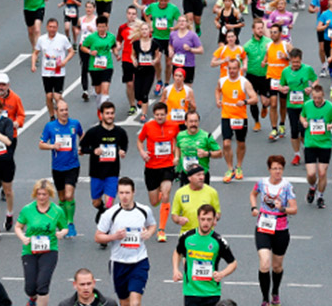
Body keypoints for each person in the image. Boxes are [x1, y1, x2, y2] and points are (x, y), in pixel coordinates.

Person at [96, 177, 157, 306]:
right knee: (124, 302)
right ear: (118, 193)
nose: (124, 196)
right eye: (121, 193)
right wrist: (114, 237)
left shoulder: (144, 210)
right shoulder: (110, 213)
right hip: (119, 263)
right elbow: (98, 237)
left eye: (127, 193)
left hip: (139, 261)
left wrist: (149, 233)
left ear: (133, 192)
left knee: (135, 302)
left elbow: (152, 225)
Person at [250, 155, 298, 306]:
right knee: (264, 263)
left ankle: (275, 291)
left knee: (276, 266)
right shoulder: (262, 183)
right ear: (269, 169)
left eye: (280, 169)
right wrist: (254, 207)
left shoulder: (287, 186)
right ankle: (265, 299)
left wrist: (282, 208)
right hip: (263, 227)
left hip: (281, 229)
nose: (277, 172)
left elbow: (294, 209)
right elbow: (253, 194)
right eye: (274, 169)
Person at [15, 179, 68, 306]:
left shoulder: (57, 211)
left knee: (42, 286)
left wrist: (62, 233)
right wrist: (23, 238)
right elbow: (18, 227)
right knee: (30, 288)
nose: (41, 197)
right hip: (29, 250)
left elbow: (64, 227)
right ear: (35, 194)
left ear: (49, 194)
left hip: (49, 250)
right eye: (39, 194)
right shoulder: (27, 209)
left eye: (44, 194)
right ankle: (33, 299)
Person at [172, 203, 237, 306]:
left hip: (211, 292)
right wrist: (175, 269)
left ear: (214, 220)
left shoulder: (218, 241)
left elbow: (233, 263)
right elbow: (177, 252)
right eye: (203, 219)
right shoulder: (187, 237)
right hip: (191, 292)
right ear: (198, 218)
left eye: (209, 219)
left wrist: (222, 274)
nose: (205, 223)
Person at [79, 101, 129, 226]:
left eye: (112, 113)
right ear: (101, 115)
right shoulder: (93, 132)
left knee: (109, 203)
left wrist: (123, 151)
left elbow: (124, 144)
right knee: (96, 202)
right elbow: (82, 148)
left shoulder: (120, 132)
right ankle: (101, 210)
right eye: (107, 113)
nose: (110, 116)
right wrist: (93, 151)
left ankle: (105, 230)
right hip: (96, 173)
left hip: (112, 172)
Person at [38, 100, 83, 238]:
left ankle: (70, 223)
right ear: (56, 112)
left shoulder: (74, 124)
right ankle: (63, 222)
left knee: (69, 195)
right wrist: (52, 146)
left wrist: (82, 147)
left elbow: (82, 135)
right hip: (57, 167)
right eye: (62, 110)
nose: (65, 113)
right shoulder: (50, 126)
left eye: (66, 109)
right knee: (62, 197)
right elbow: (41, 144)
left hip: (72, 165)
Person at [136, 101, 180, 242]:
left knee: (166, 195)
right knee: (154, 201)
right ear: (153, 115)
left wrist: (177, 156)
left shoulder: (173, 126)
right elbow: (139, 140)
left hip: (167, 166)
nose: (160, 117)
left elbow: (177, 141)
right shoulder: (148, 126)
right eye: (157, 115)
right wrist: (143, 152)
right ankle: (160, 192)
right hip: (151, 167)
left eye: (162, 114)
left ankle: (161, 230)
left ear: (166, 114)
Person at [215, 58, 258, 183]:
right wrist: (218, 100)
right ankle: (230, 169)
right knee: (226, 143)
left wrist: (245, 102)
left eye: (234, 68)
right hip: (226, 116)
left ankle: (238, 166)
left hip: (240, 117)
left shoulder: (244, 82)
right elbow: (217, 90)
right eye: (230, 68)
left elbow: (255, 98)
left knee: (241, 143)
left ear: (239, 69)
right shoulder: (222, 81)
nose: (232, 71)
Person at [300, 84, 332, 209]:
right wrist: (304, 122)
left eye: (319, 98)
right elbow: (302, 115)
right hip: (310, 143)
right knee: (312, 174)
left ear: (323, 95)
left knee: (322, 173)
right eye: (314, 98)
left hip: (325, 144)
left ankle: (320, 196)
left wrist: (331, 125)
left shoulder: (330, 107)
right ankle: (312, 187)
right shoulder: (307, 105)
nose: (317, 101)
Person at [0, 72, 24, 231]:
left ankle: (9, 212)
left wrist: (17, 123)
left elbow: (21, 115)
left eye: (4, 85)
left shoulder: (15, 98)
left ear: (8, 85)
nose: (1, 88)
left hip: (9, 136)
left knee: (6, 160)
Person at [280, 48, 318, 165]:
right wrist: (283, 89)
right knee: (294, 131)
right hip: (291, 105)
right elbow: (281, 86)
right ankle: (297, 155)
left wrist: (311, 88)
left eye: (297, 62)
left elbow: (315, 80)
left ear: (301, 60)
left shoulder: (307, 69)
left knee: (304, 130)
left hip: (305, 106)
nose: (295, 64)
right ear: (290, 60)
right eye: (293, 62)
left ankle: (308, 150)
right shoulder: (285, 71)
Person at [32, 18, 74, 120]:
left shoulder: (62, 38)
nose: (52, 29)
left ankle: (63, 111)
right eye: (50, 27)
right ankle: (52, 116)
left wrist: (65, 61)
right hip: (46, 72)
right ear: (46, 27)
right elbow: (35, 53)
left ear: (57, 27)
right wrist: (33, 64)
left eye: (54, 27)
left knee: (57, 96)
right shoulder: (42, 39)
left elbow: (71, 51)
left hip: (59, 72)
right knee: (49, 96)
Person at [80, 15, 118, 110]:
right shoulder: (91, 37)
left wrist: (116, 54)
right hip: (95, 67)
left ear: (107, 26)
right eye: (99, 27)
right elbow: (83, 47)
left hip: (107, 66)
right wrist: (90, 52)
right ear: (96, 27)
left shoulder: (111, 36)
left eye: (103, 27)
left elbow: (113, 46)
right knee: (98, 91)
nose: (101, 29)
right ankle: (99, 108)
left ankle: (104, 111)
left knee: (105, 89)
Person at [174, 110, 222, 185]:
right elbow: (178, 146)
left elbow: (219, 153)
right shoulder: (180, 135)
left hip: (201, 176)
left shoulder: (206, 136)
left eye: (196, 121)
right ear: (185, 123)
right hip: (186, 175)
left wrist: (206, 154)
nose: (193, 124)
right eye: (191, 121)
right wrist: (176, 157)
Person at [171, 165, 221, 233]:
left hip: (207, 235)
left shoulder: (212, 192)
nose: (202, 177)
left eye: (203, 174)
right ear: (190, 178)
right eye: (198, 175)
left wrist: (215, 218)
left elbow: (218, 213)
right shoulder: (180, 193)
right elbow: (174, 215)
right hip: (187, 234)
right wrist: (179, 219)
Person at [0, 99, 13, 236]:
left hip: (6, 162)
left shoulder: (6, 122)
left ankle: (9, 213)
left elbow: (8, 141)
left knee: (8, 192)